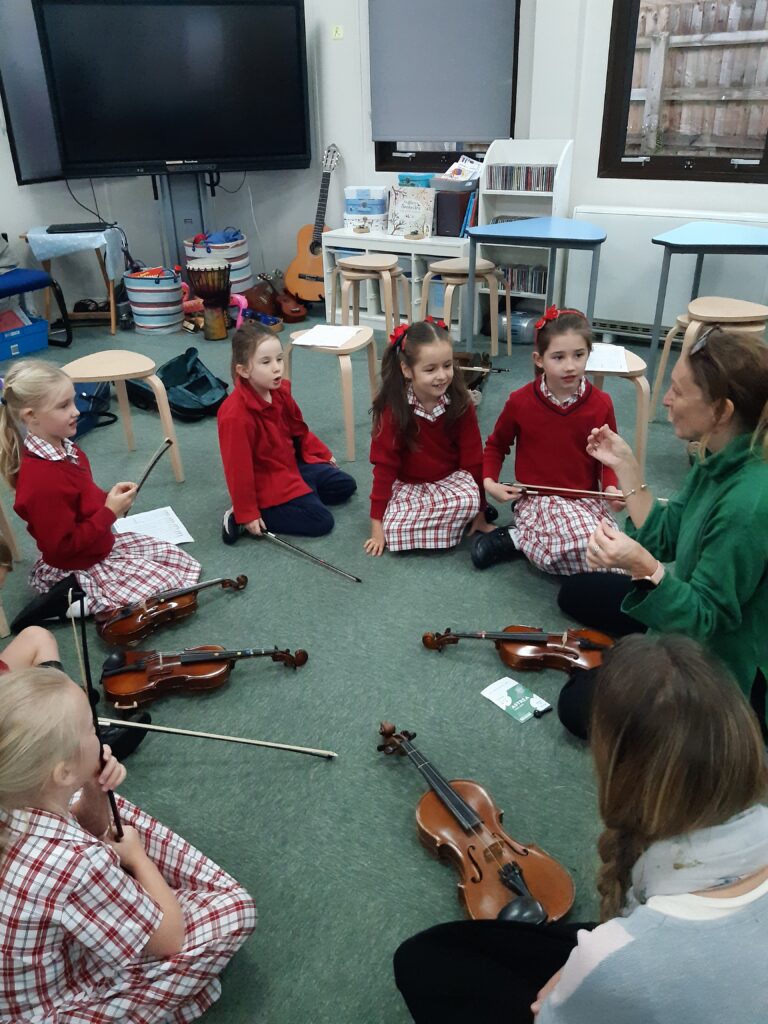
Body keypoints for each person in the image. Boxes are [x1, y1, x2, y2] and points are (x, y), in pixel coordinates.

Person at [393, 634, 768, 1024]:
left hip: (622, 968)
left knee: (423, 959)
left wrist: (585, 980)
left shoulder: (617, 958)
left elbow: (553, 1012)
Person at [0, 665, 257, 1022]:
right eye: (92, 729)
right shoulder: (76, 861)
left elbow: (89, 826)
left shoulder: (14, 796)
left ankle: (142, 898)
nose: (102, 733)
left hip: (30, 966)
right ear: (62, 771)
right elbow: (170, 939)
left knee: (114, 807)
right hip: (46, 1010)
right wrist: (137, 859)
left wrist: (92, 786)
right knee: (237, 911)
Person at [557, 327, 768, 738]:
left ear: (722, 411)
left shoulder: (749, 504)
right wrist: (627, 465)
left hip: (724, 654)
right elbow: (669, 534)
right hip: (690, 601)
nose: (666, 400)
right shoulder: (718, 450)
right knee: (575, 592)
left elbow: (709, 619)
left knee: (576, 704)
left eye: (677, 390)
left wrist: (644, 566)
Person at [0, 360, 200, 629]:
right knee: (167, 590)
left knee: (176, 564)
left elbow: (83, 498)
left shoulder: (65, 449)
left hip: (98, 544)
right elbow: (62, 546)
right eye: (63, 406)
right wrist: (109, 513)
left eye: (72, 401)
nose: (76, 412)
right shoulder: (41, 482)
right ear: (30, 416)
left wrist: (109, 498)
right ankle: (69, 599)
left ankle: (82, 601)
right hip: (77, 563)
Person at [471, 307, 623, 573]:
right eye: (558, 357)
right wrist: (489, 483)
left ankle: (519, 539)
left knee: (610, 553)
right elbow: (496, 446)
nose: (570, 366)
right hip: (537, 500)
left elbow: (608, 458)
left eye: (579, 355)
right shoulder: (520, 401)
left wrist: (610, 488)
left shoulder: (601, 403)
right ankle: (523, 536)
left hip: (584, 500)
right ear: (538, 360)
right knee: (575, 549)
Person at [217, 321, 357, 542]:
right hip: (267, 480)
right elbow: (237, 468)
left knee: (345, 486)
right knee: (321, 521)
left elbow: (298, 430)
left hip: (291, 466)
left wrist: (321, 454)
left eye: (279, 359)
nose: (277, 368)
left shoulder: (279, 391)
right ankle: (239, 517)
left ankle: (302, 494)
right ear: (243, 370)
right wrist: (248, 512)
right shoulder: (234, 415)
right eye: (266, 362)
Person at [365, 318, 485, 556]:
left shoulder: (460, 402)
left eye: (448, 365)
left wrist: (481, 509)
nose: (442, 376)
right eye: (430, 369)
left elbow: (472, 458)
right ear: (407, 370)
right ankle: (448, 528)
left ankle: (451, 522)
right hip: (410, 486)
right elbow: (384, 466)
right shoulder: (394, 408)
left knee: (469, 500)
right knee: (392, 529)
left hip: (450, 482)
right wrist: (377, 524)